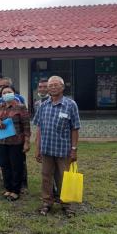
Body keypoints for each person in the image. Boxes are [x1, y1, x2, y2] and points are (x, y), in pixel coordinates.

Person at [34, 76, 80, 217]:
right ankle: (47, 202)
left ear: (62, 87)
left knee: (63, 178)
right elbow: (39, 128)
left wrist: (73, 149)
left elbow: (75, 128)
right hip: (47, 149)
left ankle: (66, 204)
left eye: (56, 85)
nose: (53, 87)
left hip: (63, 150)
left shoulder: (70, 105)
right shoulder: (43, 106)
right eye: (50, 85)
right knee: (46, 177)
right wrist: (37, 148)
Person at [0, 85, 31, 201]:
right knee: (5, 165)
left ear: (14, 93)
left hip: (16, 142)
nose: (6, 94)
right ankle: (8, 188)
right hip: (2, 141)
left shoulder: (21, 107)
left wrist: (27, 142)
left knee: (16, 166)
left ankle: (16, 190)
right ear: (1, 95)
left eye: (9, 92)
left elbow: (26, 127)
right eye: (4, 93)